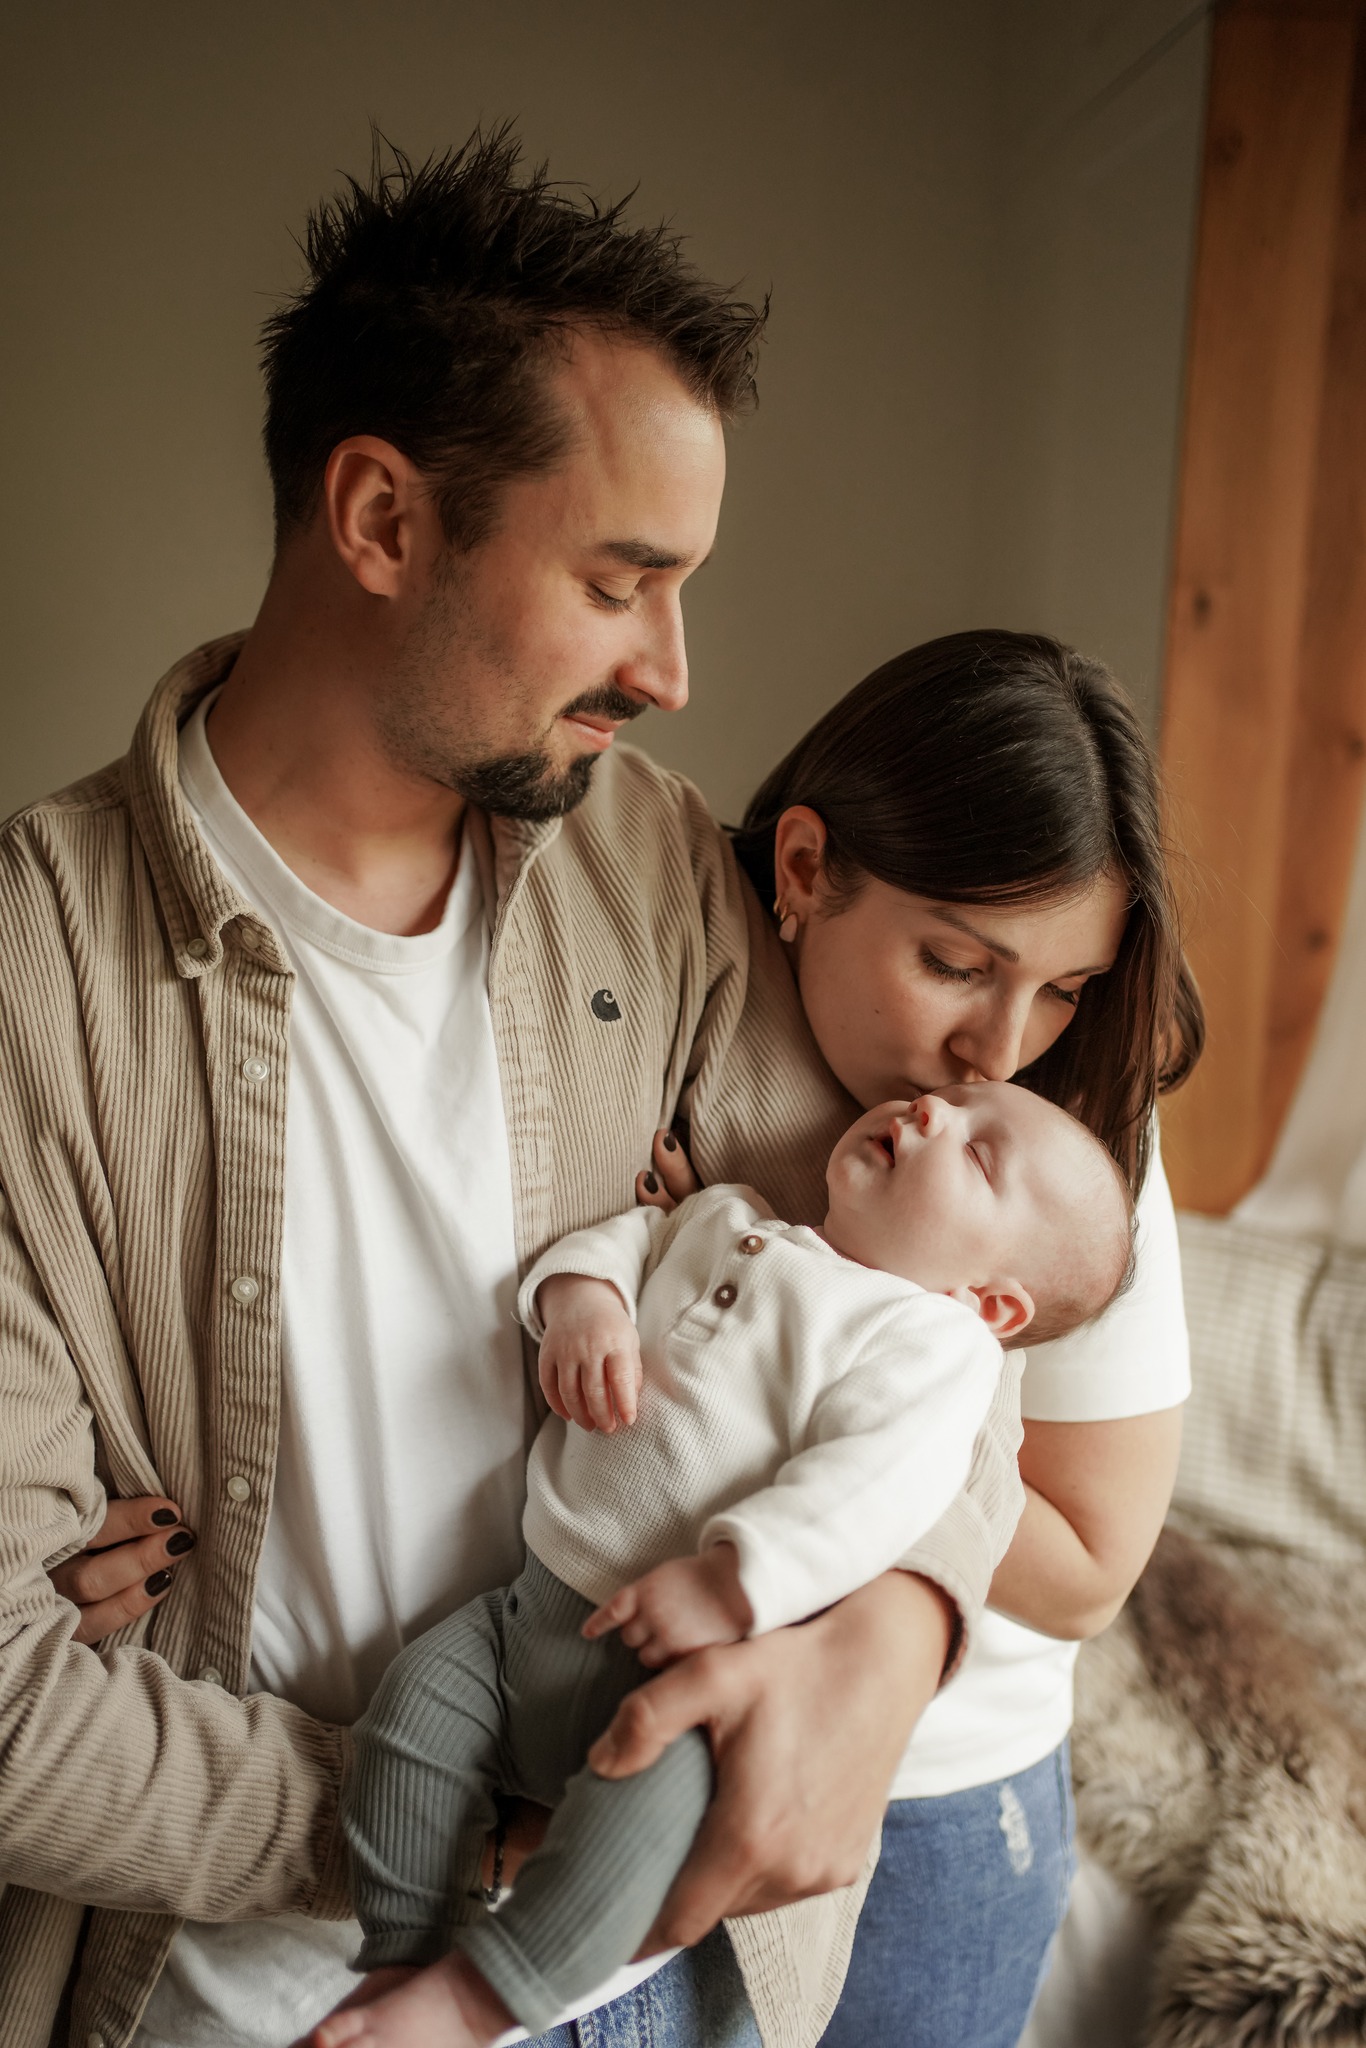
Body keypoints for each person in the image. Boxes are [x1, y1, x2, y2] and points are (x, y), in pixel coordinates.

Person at [0, 137, 1026, 2048]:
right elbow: (10, 1708)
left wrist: (895, 1637)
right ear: (383, 517)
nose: (675, 668)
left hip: (679, 1976)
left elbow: (930, 1309)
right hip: (247, 1984)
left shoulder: (652, 866)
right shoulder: (28, 979)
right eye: (622, 580)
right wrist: (498, 1820)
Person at [313, 1081, 1135, 2048]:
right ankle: (403, 1951)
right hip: (521, 1619)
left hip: (686, 1684)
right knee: (411, 1713)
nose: (930, 1115)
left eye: (978, 1154)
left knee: (638, 1836)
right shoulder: (726, 1214)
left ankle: (478, 2000)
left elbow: (877, 1485)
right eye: (946, 1099)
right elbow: (628, 1243)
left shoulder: (931, 1343)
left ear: (989, 1300)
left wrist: (738, 1581)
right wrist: (585, 1304)